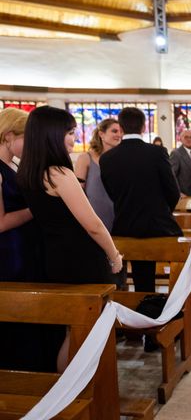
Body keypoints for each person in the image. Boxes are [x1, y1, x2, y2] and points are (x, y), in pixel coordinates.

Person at [17, 106, 123, 371]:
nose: (74, 137)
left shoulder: (28, 172)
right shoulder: (58, 174)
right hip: (81, 258)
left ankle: (73, 389)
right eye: (70, 132)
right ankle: (74, 390)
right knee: (86, 329)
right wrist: (114, 255)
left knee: (73, 328)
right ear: (52, 134)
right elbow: (93, 225)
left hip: (55, 255)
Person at [100, 107, 182, 294]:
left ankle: (139, 306)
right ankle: (172, 307)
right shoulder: (157, 152)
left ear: (120, 128)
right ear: (144, 127)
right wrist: (161, 210)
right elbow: (173, 191)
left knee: (138, 273)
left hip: (125, 225)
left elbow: (112, 193)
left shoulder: (107, 159)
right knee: (177, 265)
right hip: (159, 225)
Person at [0, 108, 37, 281]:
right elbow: (1, 223)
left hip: (26, 241)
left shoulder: (15, 163)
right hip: (10, 249)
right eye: (27, 139)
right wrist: (36, 209)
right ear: (8, 136)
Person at [75, 119, 121, 232]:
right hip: (94, 217)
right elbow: (78, 193)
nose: (119, 135)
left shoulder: (122, 159)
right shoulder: (85, 158)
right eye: (114, 131)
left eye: (121, 131)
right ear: (101, 134)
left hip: (119, 216)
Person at [170, 129, 191, 197]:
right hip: (185, 194)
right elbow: (171, 176)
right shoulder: (176, 154)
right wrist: (178, 193)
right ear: (181, 139)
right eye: (186, 137)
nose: (189, 139)